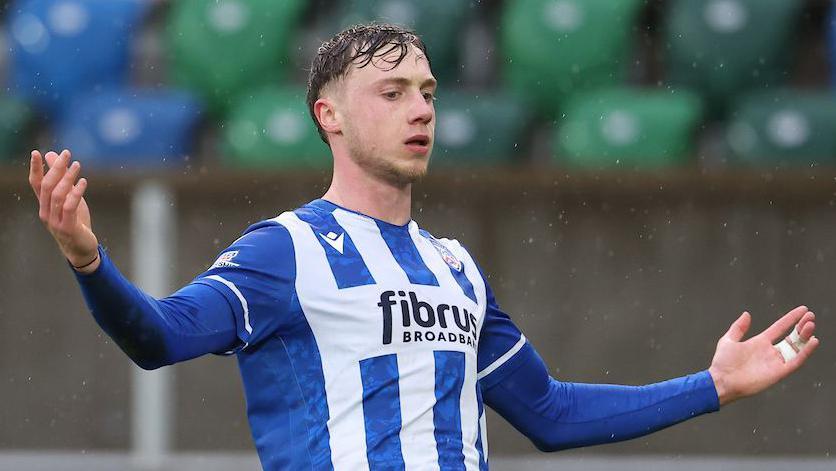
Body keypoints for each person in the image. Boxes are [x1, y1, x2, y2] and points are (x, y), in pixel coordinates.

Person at [28, 23, 818, 470]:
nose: (421, 110)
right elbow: (158, 337)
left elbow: (550, 412)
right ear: (328, 116)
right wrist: (89, 260)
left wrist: (711, 386)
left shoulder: (454, 266)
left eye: (430, 93)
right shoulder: (286, 251)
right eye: (394, 92)